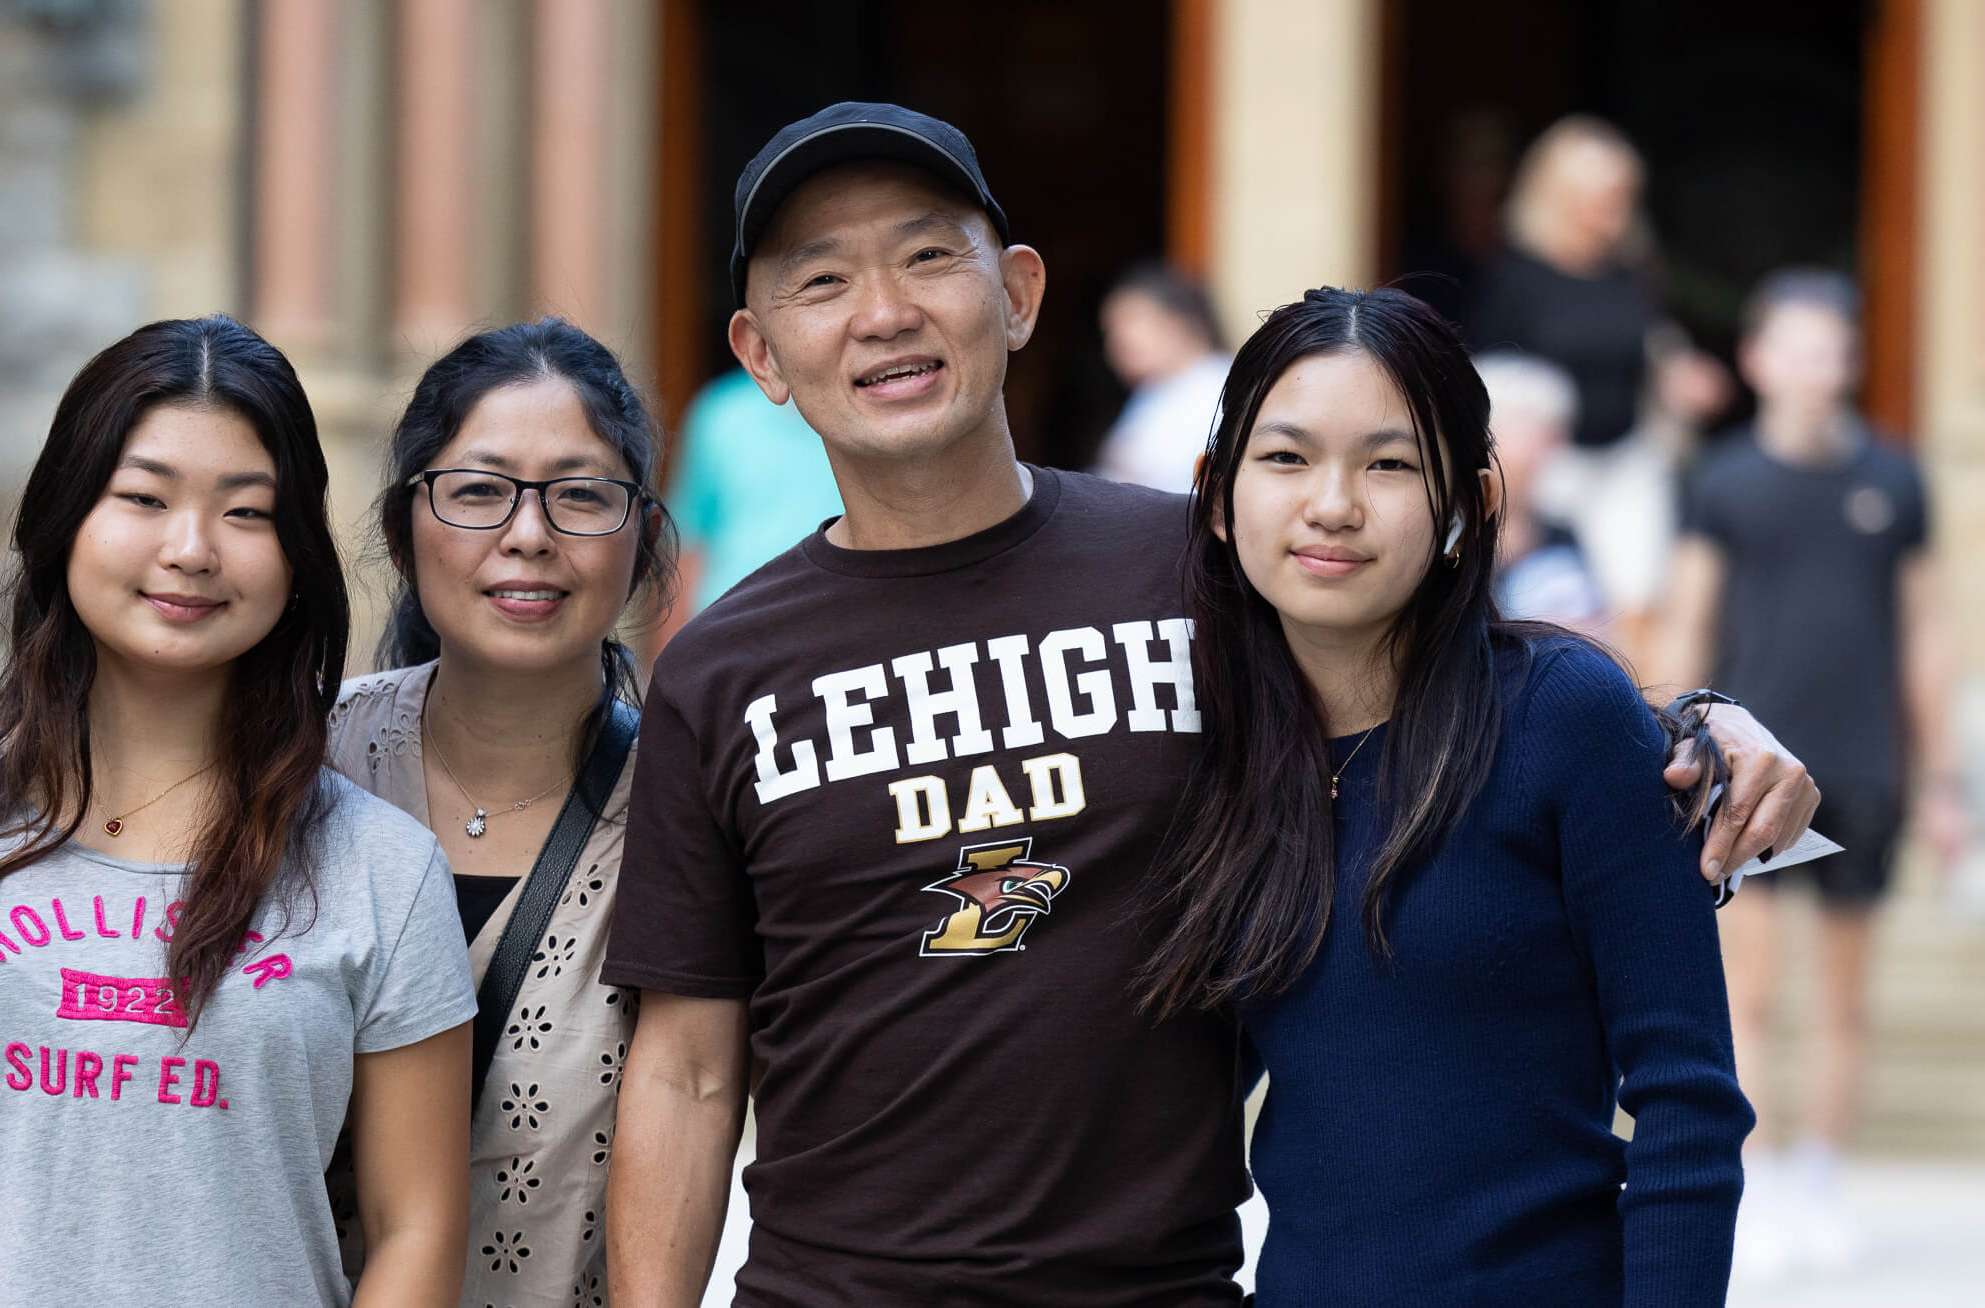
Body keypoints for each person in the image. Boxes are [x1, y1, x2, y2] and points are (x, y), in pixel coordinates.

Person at [602, 101, 1817, 1307]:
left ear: (1018, 294)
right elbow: (687, 1072)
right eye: (822, 281)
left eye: (928, 255)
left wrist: (1694, 724)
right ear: (759, 351)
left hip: (1159, 1288)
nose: (884, 312)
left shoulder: (1197, 573)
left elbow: (1433, 674)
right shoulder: (719, 674)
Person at [0, 319, 679, 1307]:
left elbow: (713, 1103)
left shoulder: (692, 815)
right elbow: (89, 1066)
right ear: (399, 531)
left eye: (582, 495)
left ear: (644, 536)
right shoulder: (269, 762)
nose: (529, 535)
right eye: (478, 491)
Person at [0, 316, 477, 1307]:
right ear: (65, 520)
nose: (189, 549)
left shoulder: (382, 870)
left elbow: (418, 1231)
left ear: (296, 554)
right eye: (143, 497)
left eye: (246, 512)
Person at [1142, 286, 1751, 1304]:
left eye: (1388, 464)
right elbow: (1172, 1110)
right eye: (1286, 458)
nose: (1332, 504)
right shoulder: (1209, 750)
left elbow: (1687, 1102)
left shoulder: (1565, 715)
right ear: (1216, 492)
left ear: (1467, 502)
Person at [1653, 268, 1963, 1279]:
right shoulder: (1725, 480)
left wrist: (1946, 777)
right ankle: (1762, 1176)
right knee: (1749, 990)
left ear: (1852, 361)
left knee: (1844, 995)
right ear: (1758, 360)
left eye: (1833, 349)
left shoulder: (1896, 478)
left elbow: (1925, 630)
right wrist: (1674, 739)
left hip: (1865, 767)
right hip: (1750, 771)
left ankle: (1824, 1174)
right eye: (1795, 347)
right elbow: (1690, 617)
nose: (1815, 368)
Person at [1467, 115, 1727, 640]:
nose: (1614, 210)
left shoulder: (1631, 271)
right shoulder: (1515, 275)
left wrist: (1681, 377)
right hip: (1550, 470)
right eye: (1599, 195)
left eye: (1623, 196)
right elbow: (1489, 380)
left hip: (1627, 463)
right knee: (1557, 611)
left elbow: (1654, 347)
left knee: (1638, 609)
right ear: (1556, 195)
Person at [667, 368, 843, 616]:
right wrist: (671, 650)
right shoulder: (723, 410)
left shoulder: (864, 414)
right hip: (727, 624)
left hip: (834, 616)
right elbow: (688, 545)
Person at [1477, 350, 1607, 628]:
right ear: (1491, 440)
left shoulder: (1560, 534)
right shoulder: (1450, 540)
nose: (1560, 452)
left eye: (1562, 436)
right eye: (1547, 436)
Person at [1093, 260, 1231, 491]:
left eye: (1130, 322)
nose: (1117, 342)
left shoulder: (1222, 387)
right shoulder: (1151, 390)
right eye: (1110, 331)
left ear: (1179, 324)